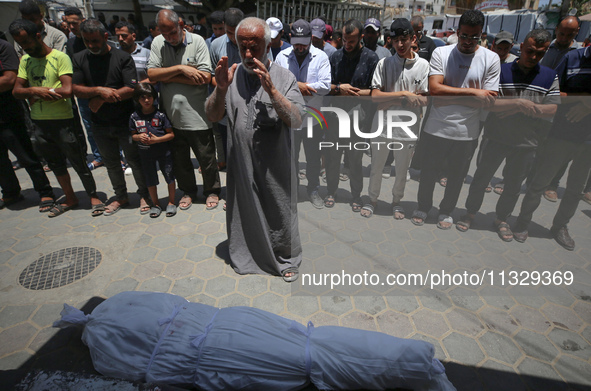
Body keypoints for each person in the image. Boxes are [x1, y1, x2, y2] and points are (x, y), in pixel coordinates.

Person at [205, 17, 304, 282]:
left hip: (275, 165)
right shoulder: (231, 75)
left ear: (268, 44)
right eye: (242, 47)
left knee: (279, 209)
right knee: (244, 211)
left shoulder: (284, 77)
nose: (248, 54)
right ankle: (247, 253)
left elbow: (296, 119)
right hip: (241, 163)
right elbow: (213, 115)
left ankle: (286, 257)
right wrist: (221, 89)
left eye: (255, 48)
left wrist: (272, 90)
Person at [457, 29, 559, 242]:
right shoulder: (500, 71)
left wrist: (526, 107)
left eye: (540, 53)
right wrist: (518, 103)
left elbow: (553, 109)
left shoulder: (549, 76)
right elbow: (488, 102)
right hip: (495, 137)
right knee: (481, 179)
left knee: (513, 186)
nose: (533, 57)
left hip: (527, 143)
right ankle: (470, 212)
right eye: (530, 51)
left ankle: (502, 219)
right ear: (520, 47)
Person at [411, 10, 500, 229]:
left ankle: (446, 210)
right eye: (465, 35)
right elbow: (434, 89)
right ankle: (423, 206)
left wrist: (449, 95)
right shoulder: (442, 53)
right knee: (428, 173)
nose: (468, 41)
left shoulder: (491, 58)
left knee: (456, 176)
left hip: (467, 132)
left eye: (474, 37)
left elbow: (488, 100)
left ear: (482, 35)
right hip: (436, 128)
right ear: (457, 32)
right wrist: (473, 93)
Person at [10, 19, 104, 217]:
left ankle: (93, 195)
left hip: (64, 119)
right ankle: (70, 197)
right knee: (55, 164)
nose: (25, 48)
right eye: (21, 45)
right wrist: (34, 90)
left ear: (37, 36)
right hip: (39, 122)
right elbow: (17, 91)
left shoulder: (60, 57)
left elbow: (68, 90)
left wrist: (39, 93)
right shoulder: (25, 61)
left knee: (78, 161)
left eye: (27, 42)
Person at [513, 45, 591, 250]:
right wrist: (582, 98)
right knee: (540, 183)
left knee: (575, 190)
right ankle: (523, 221)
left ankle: (560, 226)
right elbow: (553, 92)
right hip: (561, 134)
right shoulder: (573, 58)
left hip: (588, 140)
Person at [72, 18, 152, 215]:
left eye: (95, 41)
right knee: (111, 163)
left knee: (135, 160)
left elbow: (132, 87)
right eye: (87, 41)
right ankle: (121, 196)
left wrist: (102, 99)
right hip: (98, 123)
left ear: (105, 37)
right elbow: (75, 88)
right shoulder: (80, 58)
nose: (91, 45)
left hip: (125, 121)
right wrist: (99, 91)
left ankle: (145, 195)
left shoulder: (122, 58)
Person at [147, 9, 220, 211]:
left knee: (206, 159)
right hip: (171, 117)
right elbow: (152, 74)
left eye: (172, 32)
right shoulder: (157, 43)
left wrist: (165, 75)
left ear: (181, 24)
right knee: (180, 159)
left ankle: (211, 191)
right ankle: (187, 191)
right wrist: (181, 69)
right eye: (165, 34)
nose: (169, 38)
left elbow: (205, 77)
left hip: (198, 115)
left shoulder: (197, 42)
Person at [362, 18, 429, 219]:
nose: (400, 44)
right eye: (395, 40)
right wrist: (405, 96)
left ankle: (397, 201)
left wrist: (391, 100)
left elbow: (424, 100)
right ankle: (372, 199)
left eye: (404, 39)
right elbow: (375, 97)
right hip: (382, 125)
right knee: (377, 166)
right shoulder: (384, 64)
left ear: (413, 38)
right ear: (390, 41)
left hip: (407, 128)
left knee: (402, 169)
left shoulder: (422, 66)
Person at [324, 19, 379, 212]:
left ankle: (356, 195)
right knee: (332, 157)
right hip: (335, 118)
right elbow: (326, 87)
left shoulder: (371, 58)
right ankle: (331, 191)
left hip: (359, 120)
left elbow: (376, 92)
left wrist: (354, 92)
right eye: (345, 40)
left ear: (361, 37)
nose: (348, 44)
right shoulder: (335, 57)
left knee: (355, 159)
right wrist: (340, 88)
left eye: (352, 41)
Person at [275, 19, 331, 209]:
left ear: (310, 40)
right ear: (290, 38)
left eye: (304, 43)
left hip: (312, 121)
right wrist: (303, 89)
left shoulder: (321, 57)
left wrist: (299, 87)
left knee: (313, 158)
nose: (299, 47)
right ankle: (292, 190)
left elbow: (324, 87)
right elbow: (275, 85)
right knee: (290, 158)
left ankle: (313, 189)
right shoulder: (282, 57)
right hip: (289, 119)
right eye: (296, 43)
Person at [0, 37, 55, 211]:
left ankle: (44, 191)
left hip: (8, 114)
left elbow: (9, 79)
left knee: (26, 155)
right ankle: (10, 191)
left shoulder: (3, 47)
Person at [537, 16, 582, 203]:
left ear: (577, 32)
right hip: (542, 104)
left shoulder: (579, 54)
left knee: (561, 150)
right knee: (537, 145)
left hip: (566, 108)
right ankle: (532, 179)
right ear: (556, 30)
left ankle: (552, 184)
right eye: (561, 33)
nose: (564, 37)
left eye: (569, 34)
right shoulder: (546, 47)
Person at [129, 83, 176, 218]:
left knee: (169, 176)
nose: (146, 100)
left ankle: (171, 202)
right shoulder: (134, 117)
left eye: (149, 97)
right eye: (142, 98)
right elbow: (132, 135)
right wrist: (138, 136)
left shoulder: (160, 115)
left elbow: (171, 134)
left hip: (163, 152)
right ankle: (155, 204)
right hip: (145, 154)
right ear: (137, 99)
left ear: (154, 98)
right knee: (150, 179)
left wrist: (157, 140)